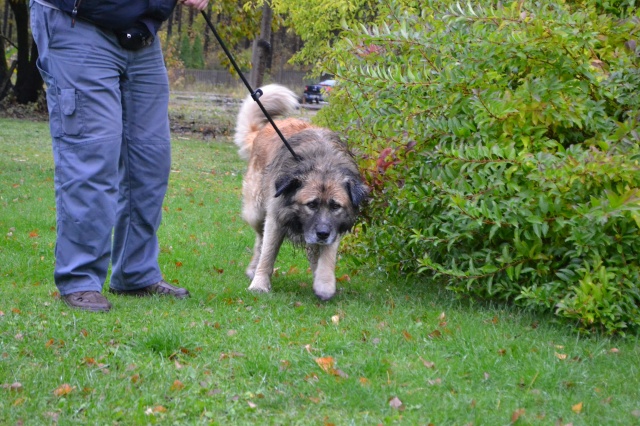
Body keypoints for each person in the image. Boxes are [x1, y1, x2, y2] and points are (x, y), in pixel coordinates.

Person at [30, 0, 209, 312]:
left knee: (150, 160)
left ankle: (135, 272)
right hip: (78, 21)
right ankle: (81, 278)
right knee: (92, 155)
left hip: (140, 31)